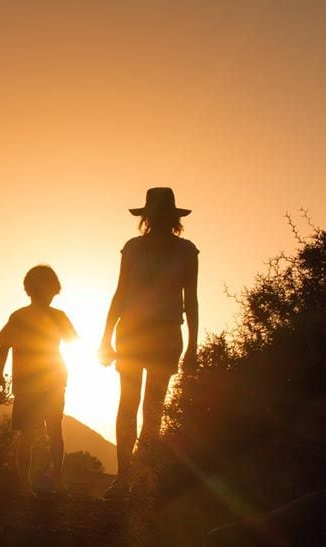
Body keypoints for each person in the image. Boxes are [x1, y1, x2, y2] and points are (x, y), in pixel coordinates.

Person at [99, 187, 199, 499]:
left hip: (167, 333)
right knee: (128, 403)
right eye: (153, 216)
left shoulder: (187, 251)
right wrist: (105, 338)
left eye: (160, 215)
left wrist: (194, 345)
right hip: (131, 330)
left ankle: (140, 477)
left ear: (171, 218)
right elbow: (119, 293)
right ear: (147, 218)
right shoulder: (132, 248)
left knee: (153, 407)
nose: (156, 221)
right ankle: (123, 477)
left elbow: (191, 300)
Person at [0, 265, 78, 497]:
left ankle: (46, 484)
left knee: (45, 432)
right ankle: (32, 485)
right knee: (41, 433)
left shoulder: (26, 316)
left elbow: (4, 345)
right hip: (37, 382)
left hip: (47, 380)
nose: (49, 295)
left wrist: (0, 375)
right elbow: (4, 345)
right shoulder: (28, 316)